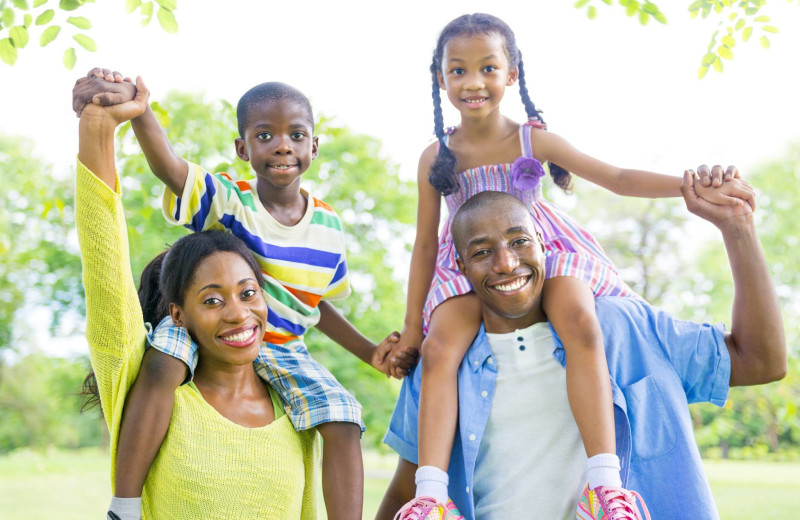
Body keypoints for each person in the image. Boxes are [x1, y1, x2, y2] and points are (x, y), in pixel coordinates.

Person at [385, 12, 757, 519]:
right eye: (458, 70)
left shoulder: (532, 140)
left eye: (488, 68)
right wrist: (412, 328)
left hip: (540, 254)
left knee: (581, 321)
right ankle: (430, 497)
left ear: (512, 74)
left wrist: (689, 185)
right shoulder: (436, 155)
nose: (473, 82)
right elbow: (426, 245)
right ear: (440, 77)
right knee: (441, 346)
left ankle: (604, 487)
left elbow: (619, 177)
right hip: (471, 266)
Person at [72, 71, 412, 520]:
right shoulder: (233, 202)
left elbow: (314, 302)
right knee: (162, 364)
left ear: (314, 146)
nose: (282, 145)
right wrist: (141, 112)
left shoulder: (329, 228)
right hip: (204, 333)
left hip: (286, 347)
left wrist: (370, 352)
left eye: (296, 135)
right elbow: (169, 167)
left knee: (344, 416)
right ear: (243, 148)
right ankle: (125, 504)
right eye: (265, 135)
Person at [378, 186, 786, 520]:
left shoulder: (626, 329)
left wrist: (738, 228)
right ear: (461, 266)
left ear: (543, 243)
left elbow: (761, 360)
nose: (505, 264)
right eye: (482, 252)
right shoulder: (441, 361)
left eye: (519, 242)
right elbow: (406, 485)